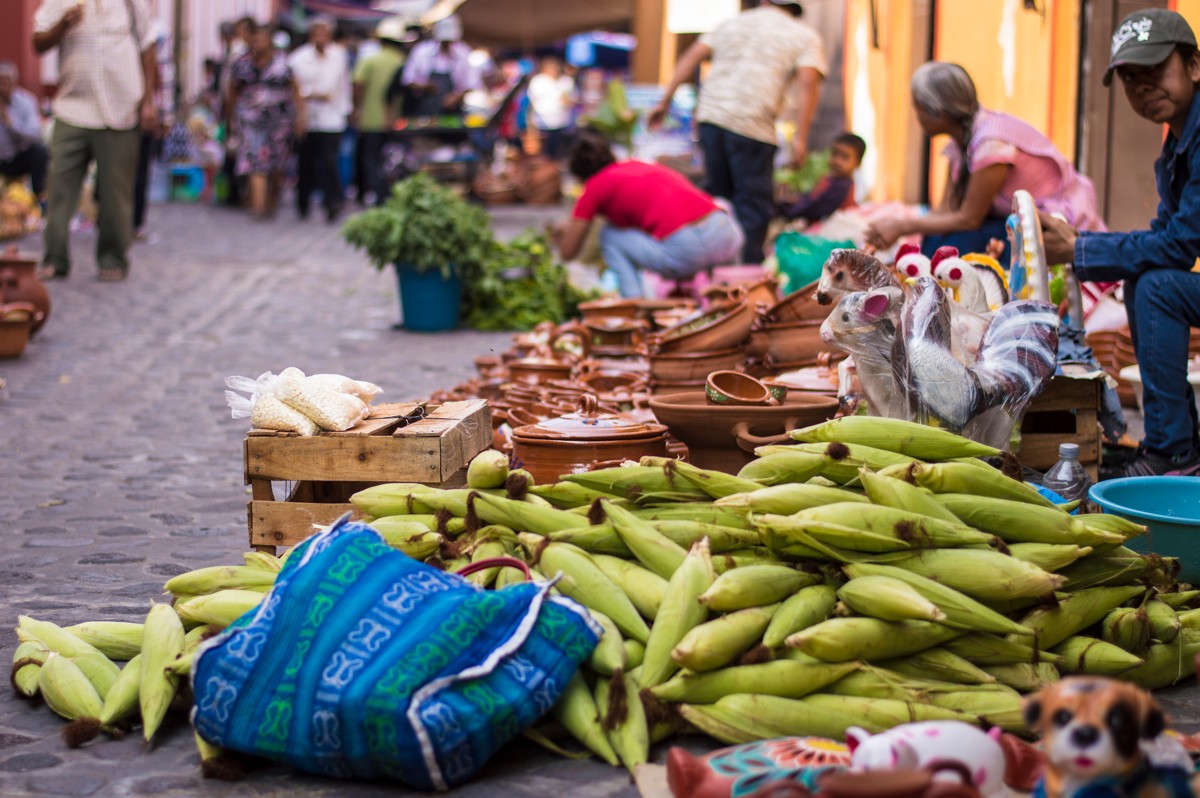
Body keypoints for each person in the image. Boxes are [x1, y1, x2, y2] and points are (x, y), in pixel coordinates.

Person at [1041, 9, 1200, 478]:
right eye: (1131, 78)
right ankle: (1178, 445)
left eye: (1155, 70)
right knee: (1150, 280)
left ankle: (1173, 452)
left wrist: (1079, 249)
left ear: (1194, 65)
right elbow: (1164, 238)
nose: (1143, 87)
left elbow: (1177, 247)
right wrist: (1081, 244)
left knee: (1158, 289)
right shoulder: (1177, 145)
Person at [864, 61, 1103, 259]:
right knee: (934, 242)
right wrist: (898, 227)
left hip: (1052, 224)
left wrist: (903, 226)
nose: (916, 117)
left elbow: (969, 218)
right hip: (1011, 221)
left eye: (918, 110)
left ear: (938, 111)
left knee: (955, 246)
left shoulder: (991, 143)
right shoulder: (961, 140)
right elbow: (947, 209)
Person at [648, 0, 826, 265]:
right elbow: (808, 81)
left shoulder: (730, 24)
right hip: (752, 124)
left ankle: (712, 269)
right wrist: (800, 138)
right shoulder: (803, 34)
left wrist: (664, 102)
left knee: (719, 198)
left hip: (711, 117)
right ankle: (743, 277)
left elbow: (690, 59)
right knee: (752, 205)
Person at [34, 0, 158, 282]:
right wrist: (63, 25)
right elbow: (38, 42)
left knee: (116, 193)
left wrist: (148, 101)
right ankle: (55, 257)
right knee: (59, 188)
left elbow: (147, 45)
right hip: (72, 107)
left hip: (121, 107)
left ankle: (112, 257)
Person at [557, 131, 744, 298]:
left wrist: (560, 235)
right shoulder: (635, 165)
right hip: (725, 233)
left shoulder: (594, 186)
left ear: (580, 176)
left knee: (609, 235)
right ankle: (732, 297)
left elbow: (568, 252)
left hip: (689, 249)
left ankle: (634, 307)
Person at [228, 22, 305, 219]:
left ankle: (271, 202)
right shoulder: (241, 64)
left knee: (277, 164)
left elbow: (296, 91)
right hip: (250, 121)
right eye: (254, 39)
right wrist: (231, 120)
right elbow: (232, 92)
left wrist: (300, 117)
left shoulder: (283, 64)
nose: (257, 43)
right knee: (255, 162)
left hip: (279, 122)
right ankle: (259, 207)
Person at [288, 15, 350, 222]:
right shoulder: (298, 58)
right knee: (306, 164)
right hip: (308, 118)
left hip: (332, 118)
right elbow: (295, 89)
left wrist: (345, 111)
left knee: (330, 163)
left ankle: (332, 202)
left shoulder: (339, 55)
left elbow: (342, 86)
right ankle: (303, 202)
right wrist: (310, 96)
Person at [352, 16, 408, 206]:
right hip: (397, 121)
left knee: (372, 161)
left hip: (371, 120)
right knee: (393, 161)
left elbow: (358, 86)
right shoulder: (403, 61)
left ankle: (378, 195)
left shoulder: (370, 60)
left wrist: (356, 109)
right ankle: (390, 195)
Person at [778, 132, 865, 224]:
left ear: (858, 163)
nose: (837, 161)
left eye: (845, 157)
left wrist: (790, 211)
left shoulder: (842, 186)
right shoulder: (830, 179)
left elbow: (818, 208)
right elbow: (812, 198)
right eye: (835, 154)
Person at [402, 15, 478, 119]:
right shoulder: (422, 51)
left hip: (453, 113)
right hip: (425, 109)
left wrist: (456, 96)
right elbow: (408, 79)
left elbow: (472, 83)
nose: (447, 44)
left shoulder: (463, 53)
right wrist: (424, 86)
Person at [0, 62, 48, 205]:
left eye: (6, 83)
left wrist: (10, 123)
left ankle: (39, 198)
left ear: (14, 83)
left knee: (39, 152)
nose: (2, 88)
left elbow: (35, 134)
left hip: (18, 156)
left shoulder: (26, 101)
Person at [527, 55, 574, 160]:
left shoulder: (565, 81)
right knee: (541, 151)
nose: (554, 69)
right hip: (541, 122)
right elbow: (531, 102)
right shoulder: (537, 81)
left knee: (556, 151)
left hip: (560, 122)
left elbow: (570, 100)